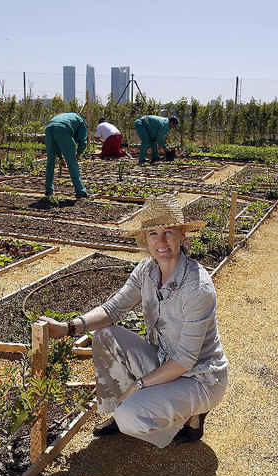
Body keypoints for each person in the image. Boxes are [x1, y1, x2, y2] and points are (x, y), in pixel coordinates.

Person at [41, 194, 228, 448]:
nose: (161, 241)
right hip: (164, 360)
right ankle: (124, 408)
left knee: (130, 418)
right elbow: (114, 309)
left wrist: (138, 385)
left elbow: (185, 360)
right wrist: (68, 327)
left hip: (199, 377)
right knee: (105, 334)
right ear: (145, 240)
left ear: (182, 235)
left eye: (168, 232)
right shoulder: (147, 271)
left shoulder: (197, 287)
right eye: (152, 233)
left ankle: (191, 414)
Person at [44, 112, 88, 199]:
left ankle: (48, 190)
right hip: (63, 128)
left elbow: (56, 142)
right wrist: (78, 153)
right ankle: (80, 191)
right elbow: (83, 141)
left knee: (50, 162)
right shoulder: (82, 121)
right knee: (72, 163)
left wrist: (60, 158)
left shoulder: (68, 116)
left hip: (49, 128)